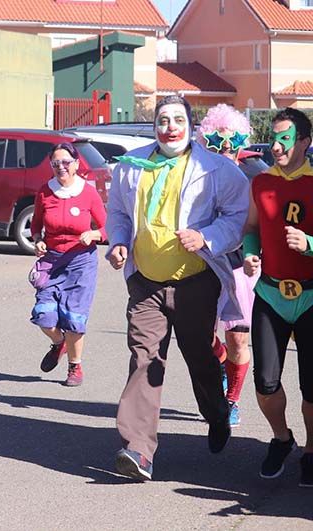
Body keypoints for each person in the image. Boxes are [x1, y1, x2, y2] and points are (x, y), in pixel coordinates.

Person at [106, 95, 249, 481]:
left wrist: (207, 237)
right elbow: (118, 213)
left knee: (199, 357)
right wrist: (119, 242)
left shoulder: (215, 169)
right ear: (153, 125)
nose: (169, 127)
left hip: (195, 282)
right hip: (146, 283)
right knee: (143, 359)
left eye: (177, 120)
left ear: (191, 125)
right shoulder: (131, 166)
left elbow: (238, 215)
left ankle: (217, 414)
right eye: (162, 120)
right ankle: (138, 449)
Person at [242, 108, 313, 487]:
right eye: (274, 137)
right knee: (265, 383)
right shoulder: (261, 182)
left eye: (285, 138)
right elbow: (251, 227)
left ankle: (312, 451)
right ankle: (282, 438)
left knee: (312, 387)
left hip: (312, 297)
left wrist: (310, 244)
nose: (276, 144)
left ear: (304, 141)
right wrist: (249, 253)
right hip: (270, 292)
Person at [196, 103, 257, 426]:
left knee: (238, 339)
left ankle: (231, 399)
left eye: (232, 142)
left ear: (241, 142)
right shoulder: (200, 175)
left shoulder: (254, 174)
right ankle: (220, 363)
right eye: (217, 143)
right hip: (204, 265)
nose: (225, 149)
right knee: (200, 336)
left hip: (240, 268)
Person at [29, 142, 106, 387]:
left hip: (81, 262)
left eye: (65, 163)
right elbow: (36, 226)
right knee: (44, 315)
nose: (61, 167)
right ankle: (58, 342)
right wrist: (39, 241)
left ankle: (75, 367)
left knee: (73, 319)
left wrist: (93, 235)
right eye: (55, 164)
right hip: (52, 261)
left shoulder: (87, 192)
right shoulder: (45, 191)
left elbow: (107, 227)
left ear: (75, 164)